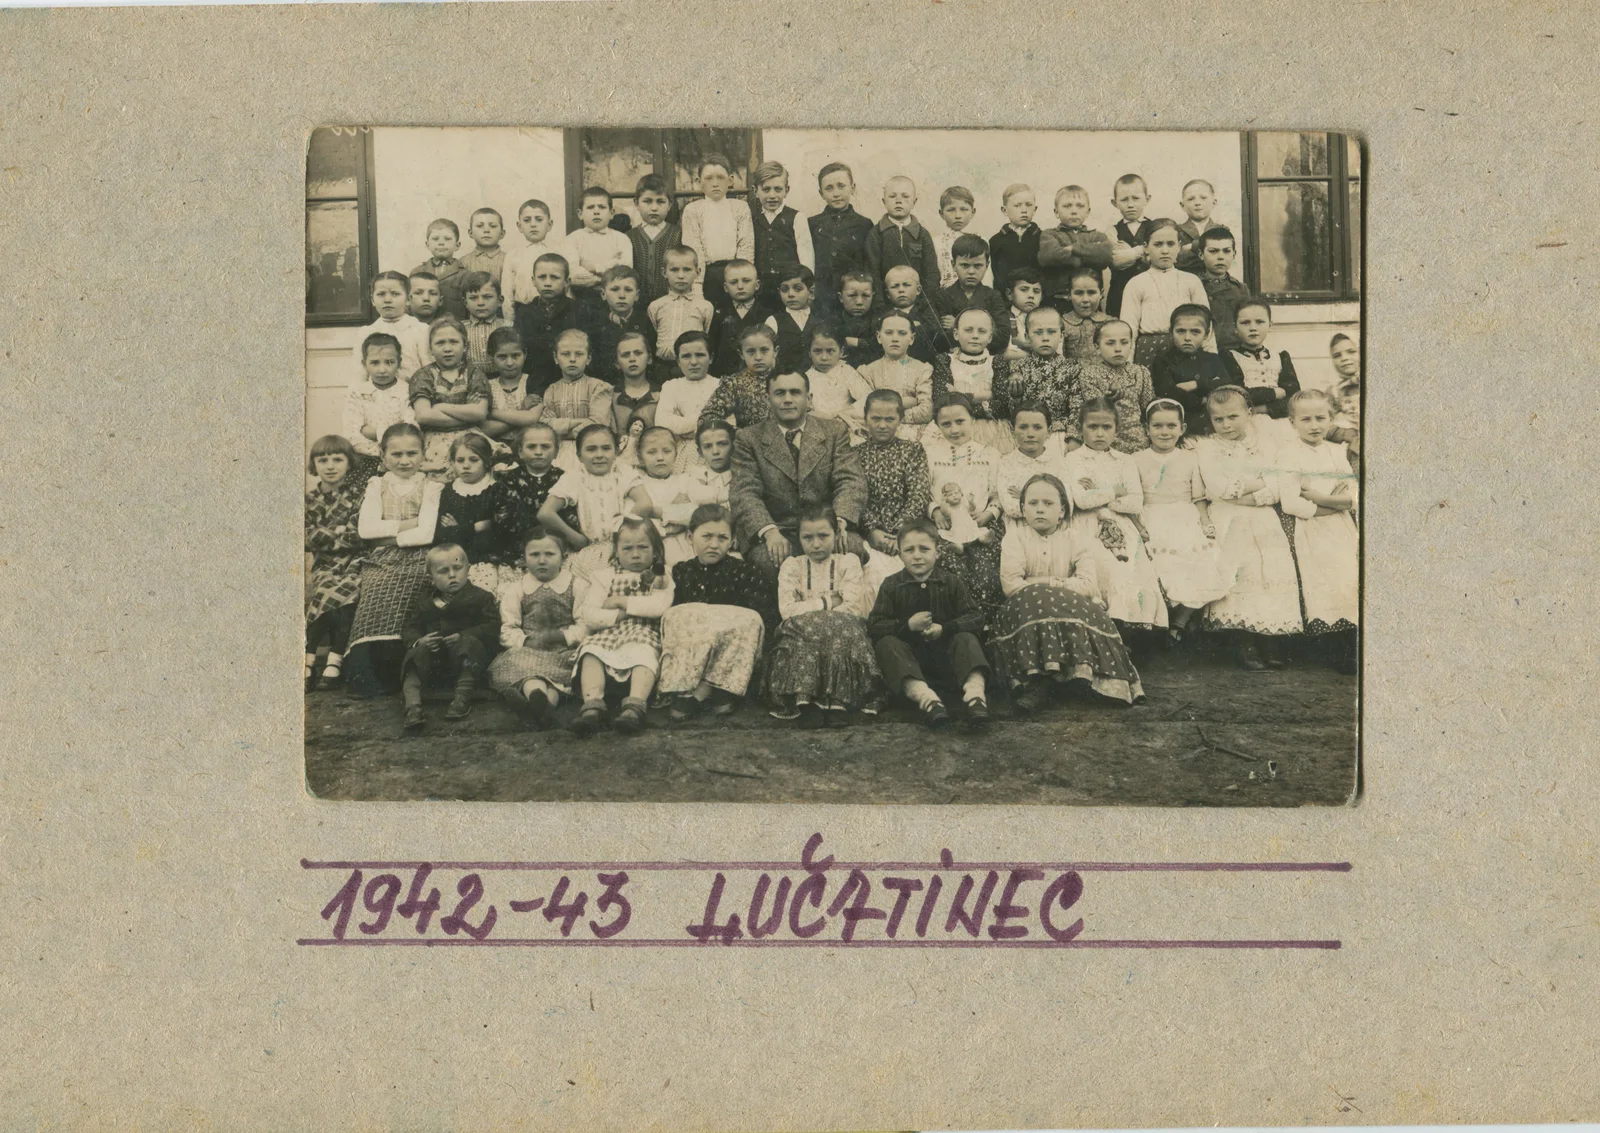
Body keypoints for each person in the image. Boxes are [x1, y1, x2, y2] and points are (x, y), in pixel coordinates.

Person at [993, 473, 1144, 711]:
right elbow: (1011, 585)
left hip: (1070, 607)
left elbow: (1088, 585)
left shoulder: (1076, 539)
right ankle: (1041, 681)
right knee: (1034, 600)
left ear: (1062, 511)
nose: (1040, 509)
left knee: (1072, 604)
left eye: (1048, 503)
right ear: (1022, 509)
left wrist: (1041, 582)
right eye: (1032, 503)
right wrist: (1059, 585)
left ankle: (1080, 678)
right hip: (1029, 609)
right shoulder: (1015, 538)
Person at [1195, 386, 1303, 669]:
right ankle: (1245, 641)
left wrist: (1253, 494)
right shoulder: (1207, 448)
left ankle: (1269, 636)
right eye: (1218, 419)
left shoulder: (1265, 444)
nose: (1226, 425)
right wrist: (1259, 483)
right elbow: (1218, 488)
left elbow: (1279, 483)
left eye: (1233, 417)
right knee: (1243, 570)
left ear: (1249, 413)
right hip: (1229, 518)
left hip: (1263, 516)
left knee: (1271, 570)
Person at [729, 370, 866, 573]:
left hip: (826, 526)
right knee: (767, 560)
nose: (787, 399)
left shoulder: (834, 431)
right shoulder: (749, 438)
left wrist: (838, 522)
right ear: (767, 399)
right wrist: (769, 531)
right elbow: (744, 491)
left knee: (850, 550)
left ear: (809, 399)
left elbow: (850, 480)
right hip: (779, 529)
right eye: (779, 393)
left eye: (795, 392)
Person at [345, 424, 443, 695]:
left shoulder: (432, 486)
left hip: (420, 556)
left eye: (412, 453)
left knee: (418, 585)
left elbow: (427, 534)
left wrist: (386, 535)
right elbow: (366, 530)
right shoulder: (377, 485)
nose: (405, 460)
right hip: (381, 558)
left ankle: (411, 668)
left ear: (423, 454)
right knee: (375, 588)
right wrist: (411, 523)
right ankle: (373, 674)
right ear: (383, 455)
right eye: (396, 454)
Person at [766, 505, 885, 726]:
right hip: (802, 631)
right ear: (799, 538)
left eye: (823, 536)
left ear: (836, 534)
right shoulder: (792, 567)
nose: (816, 544)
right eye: (808, 537)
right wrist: (828, 602)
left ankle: (839, 700)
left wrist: (811, 611)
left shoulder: (848, 563)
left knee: (842, 630)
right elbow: (788, 611)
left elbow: (853, 608)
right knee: (800, 633)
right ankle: (805, 700)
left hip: (842, 628)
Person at [867, 518, 991, 728]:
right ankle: (927, 700)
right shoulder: (891, 585)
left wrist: (946, 628)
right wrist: (906, 626)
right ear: (900, 554)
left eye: (924, 549)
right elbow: (875, 624)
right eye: (909, 550)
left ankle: (975, 695)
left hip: (949, 663)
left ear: (937, 552)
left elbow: (976, 617)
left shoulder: (951, 582)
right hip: (911, 666)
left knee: (967, 638)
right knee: (886, 644)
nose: (917, 556)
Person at [659, 504, 778, 720]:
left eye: (722, 538)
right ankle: (687, 688)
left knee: (750, 619)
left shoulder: (744, 572)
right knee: (676, 615)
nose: (714, 545)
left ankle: (713, 690)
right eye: (706, 536)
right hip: (694, 655)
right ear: (690, 537)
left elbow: (761, 618)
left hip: (729, 655)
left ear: (732, 541)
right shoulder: (682, 572)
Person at [1063, 396, 1167, 633]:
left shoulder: (1124, 461)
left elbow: (1135, 502)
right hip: (1088, 525)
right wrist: (1115, 491)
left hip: (1123, 525)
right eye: (1092, 427)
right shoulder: (1073, 459)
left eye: (1106, 427)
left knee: (1133, 570)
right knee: (1104, 568)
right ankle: (1106, 627)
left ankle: (1132, 630)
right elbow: (1082, 501)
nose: (1099, 434)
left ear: (1116, 430)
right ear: (1081, 428)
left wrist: (1098, 491)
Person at [1132, 399, 1229, 642]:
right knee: (1161, 568)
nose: (1164, 432)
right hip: (1151, 516)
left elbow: (1198, 497)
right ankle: (1159, 623)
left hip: (1184, 518)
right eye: (1157, 426)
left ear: (1182, 428)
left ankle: (1180, 622)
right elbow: (1133, 498)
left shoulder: (1189, 458)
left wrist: (1205, 522)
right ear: (1146, 429)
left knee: (1204, 566)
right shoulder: (1136, 459)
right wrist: (1138, 526)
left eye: (1171, 426)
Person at [1277, 389, 1359, 672]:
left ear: (1331, 419)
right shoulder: (1289, 455)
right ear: (1292, 422)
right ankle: (1333, 647)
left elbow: (1352, 496)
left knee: (1347, 578)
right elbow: (1290, 502)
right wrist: (1326, 506)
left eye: (1320, 418)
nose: (1314, 425)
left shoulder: (1336, 452)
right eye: (1306, 419)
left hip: (1341, 528)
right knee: (1323, 583)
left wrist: (1317, 496)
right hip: (1311, 529)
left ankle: (1352, 645)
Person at [571, 515, 674, 736]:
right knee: (590, 652)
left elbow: (659, 606)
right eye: (627, 548)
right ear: (616, 551)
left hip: (644, 632)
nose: (635, 554)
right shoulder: (603, 577)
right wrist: (620, 616)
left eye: (643, 547)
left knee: (644, 654)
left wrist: (620, 601)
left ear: (655, 550)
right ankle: (592, 705)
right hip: (608, 634)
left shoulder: (662, 576)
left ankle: (634, 706)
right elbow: (590, 614)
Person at [487, 527, 589, 731]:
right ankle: (538, 699)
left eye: (549, 554)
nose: (542, 560)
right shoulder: (517, 589)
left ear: (563, 556)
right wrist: (526, 641)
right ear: (524, 558)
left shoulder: (577, 586)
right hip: (530, 651)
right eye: (534, 555)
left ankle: (538, 707)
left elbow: (586, 625)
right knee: (523, 668)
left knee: (560, 678)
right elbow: (508, 629)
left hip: (564, 651)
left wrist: (564, 636)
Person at [924, 393, 1006, 627]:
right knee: (949, 567)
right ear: (937, 425)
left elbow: (997, 493)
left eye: (960, 421)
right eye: (946, 424)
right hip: (945, 526)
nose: (954, 429)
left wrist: (990, 513)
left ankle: (985, 625)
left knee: (986, 569)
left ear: (972, 420)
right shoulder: (930, 454)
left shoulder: (989, 454)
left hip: (981, 524)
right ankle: (954, 626)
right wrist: (935, 511)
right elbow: (923, 491)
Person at [399, 544, 499, 728]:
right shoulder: (425, 601)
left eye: (457, 568)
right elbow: (409, 627)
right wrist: (420, 641)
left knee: (470, 644)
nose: (452, 575)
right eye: (443, 571)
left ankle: (461, 699)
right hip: (435, 663)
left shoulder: (481, 598)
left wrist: (463, 635)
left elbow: (492, 627)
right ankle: (413, 706)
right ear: (431, 578)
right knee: (414, 653)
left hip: (468, 664)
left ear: (468, 569)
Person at [538, 422, 652, 584]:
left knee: (627, 585)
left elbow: (645, 503)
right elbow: (545, 513)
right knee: (591, 586)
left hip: (623, 546)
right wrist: (577, 539)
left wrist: (621, 533)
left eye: (606, 448)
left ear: (616, 451)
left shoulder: (622, 471)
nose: (599, 455)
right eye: (591, 449)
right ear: (579, 456)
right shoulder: (574, 477)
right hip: (591, 549)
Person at [858, 389, 933, 596]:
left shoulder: (912, 450)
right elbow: (856, 496)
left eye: (890, 419)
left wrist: (900, 532)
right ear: (865, 418)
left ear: (900, 418)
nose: (882, 425)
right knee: (873, 578)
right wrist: (872, 530)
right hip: (870, 534)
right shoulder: (854, 454)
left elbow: (918, 494)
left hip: (907, 532)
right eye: (876, 418)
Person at [305, 435, 365, 690]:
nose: (330, 466)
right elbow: (306, 537)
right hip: (325, 564)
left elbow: (358, 535)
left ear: (349, 463)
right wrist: (339, 531)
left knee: (351, 593)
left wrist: (326, 534)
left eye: (337, 460)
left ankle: (334, 659)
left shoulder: (359, 496)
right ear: (314, 465)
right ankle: (308, 661)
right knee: (324, 589)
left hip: (354, 562)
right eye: (323, 460)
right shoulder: (308, 500)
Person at [408, 316, 491, 480]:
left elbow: (480, 413)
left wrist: (441, 407)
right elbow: (424, 416)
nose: (447, 348)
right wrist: (467, 412)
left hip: (470, 439)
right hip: (434, 442)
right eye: (440, 343)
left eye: (454, 342)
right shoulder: (423, 375)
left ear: (465, 346)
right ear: (430, 349)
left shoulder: (474, 374)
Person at [1118, 219, 1209, 366]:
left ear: (1179, 247)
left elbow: (1205, 324)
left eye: (1170, 244)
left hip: (1186, 349)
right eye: (1158, 244)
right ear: (1146, 248)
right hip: (1148, 352)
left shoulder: (1191, 281)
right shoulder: (1136, 283)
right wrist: (1127, 366)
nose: (1165, 251)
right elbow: (1129, 329)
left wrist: (1211, 359)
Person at [929, 307, 1013, 452]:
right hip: (955, 428)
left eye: (982, 331)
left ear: (990, 337)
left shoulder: (996, 362)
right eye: (968, 330)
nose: (975, 336)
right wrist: (987, 396)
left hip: (992, 430)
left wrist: (960, 395)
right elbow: (942, 400)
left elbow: (1003, 405)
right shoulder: (945, 361)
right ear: (956, 334)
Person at [997, 306, 1083, 444]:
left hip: (1059, 433)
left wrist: (1073, 438)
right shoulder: (1018, 367)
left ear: (1061, 336)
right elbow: (1013, 410)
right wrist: (1015, 395)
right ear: (1027, 337)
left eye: (1051, 332)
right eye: (1038, 332)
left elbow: (1077, 407)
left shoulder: (1072, 368)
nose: (1045, 338)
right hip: (1027, 432)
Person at [435, 433, 507, 595]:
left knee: (482, 594)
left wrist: (459, 528)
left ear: (486, 462)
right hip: (455, 560)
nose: (466, 466)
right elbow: (444, 533)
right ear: (452, 463)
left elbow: (498, 531)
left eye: (474, 460)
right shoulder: (448, 492)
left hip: (488, 559)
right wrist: (476, 527)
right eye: (460, 461)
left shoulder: (497, 490)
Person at [680, 155, 755, 310]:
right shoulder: (693, 210)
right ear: (699, 182)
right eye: (708, 178)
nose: (715, 183)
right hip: (706, 276)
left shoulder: (740, 208)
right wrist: (697, 287)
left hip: (735, 276)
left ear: (730, 180)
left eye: (720, 177)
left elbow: (746, 246)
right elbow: (694, 250)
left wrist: (742, 279)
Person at [490, 423, 567, 570]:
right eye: (531, 447)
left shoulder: (565, 479)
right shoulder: (506, 481)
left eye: (545, 447)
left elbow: (569, 518)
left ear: (556, 451)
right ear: (520, 451)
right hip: (516, 552)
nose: (538, 452)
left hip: (554, 549)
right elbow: (504, 521)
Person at [1074, 320, 1155, 453]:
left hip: (1138, 440)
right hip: (1103, 438)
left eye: (1124, 342)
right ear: (1097, 347)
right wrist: (1107, 400)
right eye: (1110, 343)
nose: (1118, 348)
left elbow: (1148, 409)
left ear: (1131, 344)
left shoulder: (1141, 372)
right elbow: (1094, 408)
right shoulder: (1090, 374)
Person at [343, 332, 417, 475]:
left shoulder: (407, 392)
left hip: (401, 459)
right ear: (364, 364)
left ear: (399, 362)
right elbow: (351, 435)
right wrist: (383, 449)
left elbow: (409, 429)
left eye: (389, 362)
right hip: (365, 459)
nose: (382, 370)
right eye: (375, 363)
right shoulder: (357, 394)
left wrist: (373, 432)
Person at [539, 328, 615, 469]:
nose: (572, 359)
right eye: (565, 354)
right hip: (558, 454)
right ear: (556, 358)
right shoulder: (551, 390)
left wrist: (560, 428)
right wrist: (579, 422)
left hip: (591, 451)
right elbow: (545, 426)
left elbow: (597, 425)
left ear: (589, 358)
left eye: (579, 354)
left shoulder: (598, 387)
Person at [1149, 304, 1230, 432]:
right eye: (1180, 331)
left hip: (1213, 425)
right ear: (1171, 331)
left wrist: (1196, 384)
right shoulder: (1163, 360)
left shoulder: (1212, 359)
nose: (1187, 338)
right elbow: (1168, 393)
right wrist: (1203, 400)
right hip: (1180, 427)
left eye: (1195, 332)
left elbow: (1227, 384)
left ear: (1206, 334)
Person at [512, 252, 583, 393]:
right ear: (533, 280)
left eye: (555, 277)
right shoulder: (524, 313)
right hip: (535, 383)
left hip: (572, 383)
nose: (548, 283)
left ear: (567, 282)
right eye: (542, 277)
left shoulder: (579, 310)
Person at [933, 233, 1011, 358]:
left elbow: (1003, 337)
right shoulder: (942, 296)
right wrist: (984, 329)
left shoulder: (993, 296)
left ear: (987, 265)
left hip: (986, 359)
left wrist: (957, 325)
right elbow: (939, 339)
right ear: (953, 265)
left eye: (978, 266)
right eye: (964, 265)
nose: (971, 271)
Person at [749, 160, 816, 307]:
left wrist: (805, 289)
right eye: (766, 190)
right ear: (755, 191)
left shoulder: (797, 218)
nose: (772, 195)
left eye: (778, 189)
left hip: (789, 290)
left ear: (787, 190)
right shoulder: (751, 219)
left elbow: (806, 259)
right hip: (760, 291)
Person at [858, 311, 933, 438]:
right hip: (878, 434)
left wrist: (885, 414)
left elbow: (926, 412)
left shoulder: (922, 369)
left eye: (902, 333)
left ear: (911, 339)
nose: (895, 338)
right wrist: (909, 402)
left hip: (914, 434)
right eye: (888, 333)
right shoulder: (868, 371)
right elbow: (866, 411)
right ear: (879, 337)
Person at [1038, 184, 1114, 311]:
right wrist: (1087, 256)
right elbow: (1048, 257)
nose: (1074, 211)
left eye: (1080, 206)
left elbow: (1105, 256)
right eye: (1067, 206)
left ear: (1088, 212)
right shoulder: (1049, 234)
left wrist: (1073, 249)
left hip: (1089, 303)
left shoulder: (1097, 236)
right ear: (1056, 212)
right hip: (1058, 302)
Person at [809, 162, 874, 308]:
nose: (836, 193)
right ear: (821, 193)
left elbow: (868, 265)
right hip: (821, 299)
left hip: (853, 300)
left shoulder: (864, 224)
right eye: (829, 188)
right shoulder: (812, 224)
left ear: (853, 188)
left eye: (841, 186)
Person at [1221, 300, 1300, 421]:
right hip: (1245, 422)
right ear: (1235, 327)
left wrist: (1262, 409)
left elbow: (1294, 398)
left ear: (1270, 325)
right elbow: (1236, 395)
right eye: (1245, 323)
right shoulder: (1229, 357)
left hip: (1279, 421)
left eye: (1259, 322)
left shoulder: (1281, 357)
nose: (1253, 328)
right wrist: (1274, 393)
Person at [654, 331, 721, 472]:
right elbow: (662, 421)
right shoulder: (671, 386)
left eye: (700, 355)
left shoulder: (721, 386)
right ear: (678, 362)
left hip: (716, 451)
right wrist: (705, 422)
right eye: (686, 356)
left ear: (711, 358)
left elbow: (727, 424)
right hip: (681, 453)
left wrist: (683, 428)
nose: (693, 362)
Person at [865, 174, 941, 300]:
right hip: (886, 301)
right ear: (884, 201)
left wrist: (924, 305)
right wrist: (880, 304)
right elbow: (873, 273)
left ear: (914, 202)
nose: (898, 201)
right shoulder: (876, 233)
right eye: (892, 196)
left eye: (905, 196)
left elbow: (931, 274)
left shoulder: (922, 234)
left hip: (917, 303)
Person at [648, 246, 717, 379]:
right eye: (674, 270)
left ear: (697, 272)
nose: (680, 276)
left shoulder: (705, 307)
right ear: (664, 272)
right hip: (663, 368)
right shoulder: (656, 306)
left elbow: (706, 334)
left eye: (687, 269)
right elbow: (654, 333)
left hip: (693, 366)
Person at [698, 323, 782, 432]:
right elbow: (706, 418)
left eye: (764, 350)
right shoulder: (734, 383)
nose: (758, 357)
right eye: (751, 351)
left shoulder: (789, 379)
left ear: (775, 351)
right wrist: (738, 433)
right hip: (750, 441)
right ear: (741, 354)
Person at [631, 426, 696, 565]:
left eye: (667, 451)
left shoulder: (685, 481)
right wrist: (673, 509)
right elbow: (637, 521)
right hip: (652, 546)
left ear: (675, 454)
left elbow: (693, 514)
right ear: (640, 457)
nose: (660, 458)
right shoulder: (638, 485)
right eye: (651, 452)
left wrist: (655, 512)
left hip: (686, 544)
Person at [997, 403, 1069, 523]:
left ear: (1049, 431)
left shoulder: (1058, 461)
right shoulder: (1006, 463)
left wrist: (1023, 496)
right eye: (1023, 427)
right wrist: (1049, 499)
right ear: (1012, 430)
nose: (1030, 434)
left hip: (1054, 526)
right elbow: (1011, 507)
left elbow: (1066, 503)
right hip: (1020, 527)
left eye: (1037, 427)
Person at [562, 186, 633, 306]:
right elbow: (572, 276)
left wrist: (595, 269)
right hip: (580, 301)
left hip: (613, 301)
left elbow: (624, 273)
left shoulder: (621, 239)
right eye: (590, 207)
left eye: (602, 207)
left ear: (611, 213)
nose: (596, 211)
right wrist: (604, 275)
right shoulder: (572, 239)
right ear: (580, 214)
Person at [586, 265, 655, 388]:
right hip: (603, 384)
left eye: (628, 290)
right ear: (603, 294)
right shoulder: (595, 323)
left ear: (637, 295)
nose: (622, 295)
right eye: (615, 289)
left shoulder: (645, 321)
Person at [480, 327, 544, 455]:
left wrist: (491, 413)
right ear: (491, 357)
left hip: (529, 450)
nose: (509, 363)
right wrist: (521, 412)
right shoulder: (487, 385)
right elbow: (484, 429)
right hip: (495, 450)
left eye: (515, 356)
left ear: (525, 354)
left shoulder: (533, 382)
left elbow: (532, 418)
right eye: (502, 357)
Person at [356, 271, 429, 382]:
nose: (387, 300)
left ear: (408, 299)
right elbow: (359, 374)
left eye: (395, 294)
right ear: (372, 300)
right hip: (376, 391)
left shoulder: (420, 329)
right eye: (381, 294)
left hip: (415, 389)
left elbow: (429, 368)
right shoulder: (365, 333)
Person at [804, 324, 873, 440]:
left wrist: (844, 414)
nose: (824, 357)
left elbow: (868, 399)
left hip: (845, 427)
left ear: (841, 352)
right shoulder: (806, 378)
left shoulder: (846, 372)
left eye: (830, 351)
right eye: (817, 351)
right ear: (809, 352)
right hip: (818, 429)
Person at [709, 259, 776, 377]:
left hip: (759, 375)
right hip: (725, 375)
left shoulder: (768, 314)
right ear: (725, 287)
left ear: (757, 285)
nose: (740, 286)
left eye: (746, 281)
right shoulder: (719, 314)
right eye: (733, 282)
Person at [1106, 173, 1157, 318]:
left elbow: (1159, 258)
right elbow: (1116, 261)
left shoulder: (1156, 228)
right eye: (1124, 199)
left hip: (1151, 292)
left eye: (1136, 198)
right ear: (1114, 203)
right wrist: (1143, 250)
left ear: (1147, 199)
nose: (1130, 204)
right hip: (1120, 293)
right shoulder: (1112, 231)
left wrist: (1129, 254)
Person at [628, 174, 680, 310]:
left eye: (660, 202)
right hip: (637, 306)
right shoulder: (629, 237)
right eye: (647, 201)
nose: (654, 208)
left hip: (670, 304)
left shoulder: (678, 234)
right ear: (636, 204)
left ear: (670, 205)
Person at [502, 199, 559, 321]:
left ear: (549, 225)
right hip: (524, 312)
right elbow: (507, 292)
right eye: (527, 220)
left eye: (539, 219)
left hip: (555, 312)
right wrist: (509, 322)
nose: (533, 224)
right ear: (519, 226)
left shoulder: (557, 252)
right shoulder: (513, 255)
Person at [1196, 228, 1250, 354]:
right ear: (1201, 254)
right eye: (1213, 251)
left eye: (1226, 251)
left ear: (1234, 254)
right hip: (1202, 352)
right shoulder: (1193, 284)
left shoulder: (1240, 289)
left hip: (1234, 351)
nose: (1220, 257)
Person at [989, 183, 1041, 302]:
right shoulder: (996, 241)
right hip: (1005, 300)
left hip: (1035, 299)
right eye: (1017, 205)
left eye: (1029, 205)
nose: (1024, 210)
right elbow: (995, 274)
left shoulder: (1043, 238)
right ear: (1004, 210)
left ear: (1035, 209)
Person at [610, 331, 659, 459]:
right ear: (617, 363)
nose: (632, 359)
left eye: (638, 353)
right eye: (625, 355)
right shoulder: (611, 395)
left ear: (649, 358)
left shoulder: (661, 394)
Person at [765, 263, 817, 375]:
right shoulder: (773, 321)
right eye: (784, 289)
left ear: (811, 293)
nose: (790, 294)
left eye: (798, 289)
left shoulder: (820, 321)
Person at [412, 217, 468, 318]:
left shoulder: (465, 275)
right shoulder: (417, 272)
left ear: (457, 245)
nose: (441, 243)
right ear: (427, 244)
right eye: (435, 239)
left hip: (454, 324)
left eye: (447, 239)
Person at [933, 185, 980, 290]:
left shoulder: (981, 241)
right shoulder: (936, 243)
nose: (958, 215)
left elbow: (987, 276)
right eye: (951, 210)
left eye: (964, 209)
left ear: (972, 212)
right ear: (941, 213)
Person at [835, 270, 884, 368]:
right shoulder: (834, 320)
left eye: (865, 296)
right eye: (852, 295)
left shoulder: (878, 320)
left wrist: (856, 342)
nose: (859, 302)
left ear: (872, 297)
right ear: (841, 297)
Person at [1059, 269, 1111, 362]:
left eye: (1091, 292)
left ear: (1101, 294)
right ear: (1069, 295)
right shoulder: (1061, 323)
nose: (1085, 299)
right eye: (1079, 293)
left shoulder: (1111, 323)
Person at [1174, 179, 1224, 274]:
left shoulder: (1221, 230)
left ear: (1214, 202)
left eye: (1203, 198)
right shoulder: (1177, 230)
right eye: (1191, 199)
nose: (1197, 203)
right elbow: (1176, 257)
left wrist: (1192, 246)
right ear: (1182, 205)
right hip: (1185, 279)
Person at [460, 272, 509, 367]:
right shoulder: (459, 329)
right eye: (473, 298)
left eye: (487, 297)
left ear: (499, 300)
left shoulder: (508, 326)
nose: (480, 303)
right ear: (465, 303)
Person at [1001, 267, 1045, 363]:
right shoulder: (1003, 318)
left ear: (1041, 297)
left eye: (1036, 291)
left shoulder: (1046, 320)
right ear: (1009, 294)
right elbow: (1003, 353)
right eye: (1024, 290)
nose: (1031, 296)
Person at [459, 206, 507, 290]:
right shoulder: (463, 263)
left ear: (502, 233)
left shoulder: (509, 260)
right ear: (470, 233)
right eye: (480, 226)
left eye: (493, 226)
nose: (486, 230)